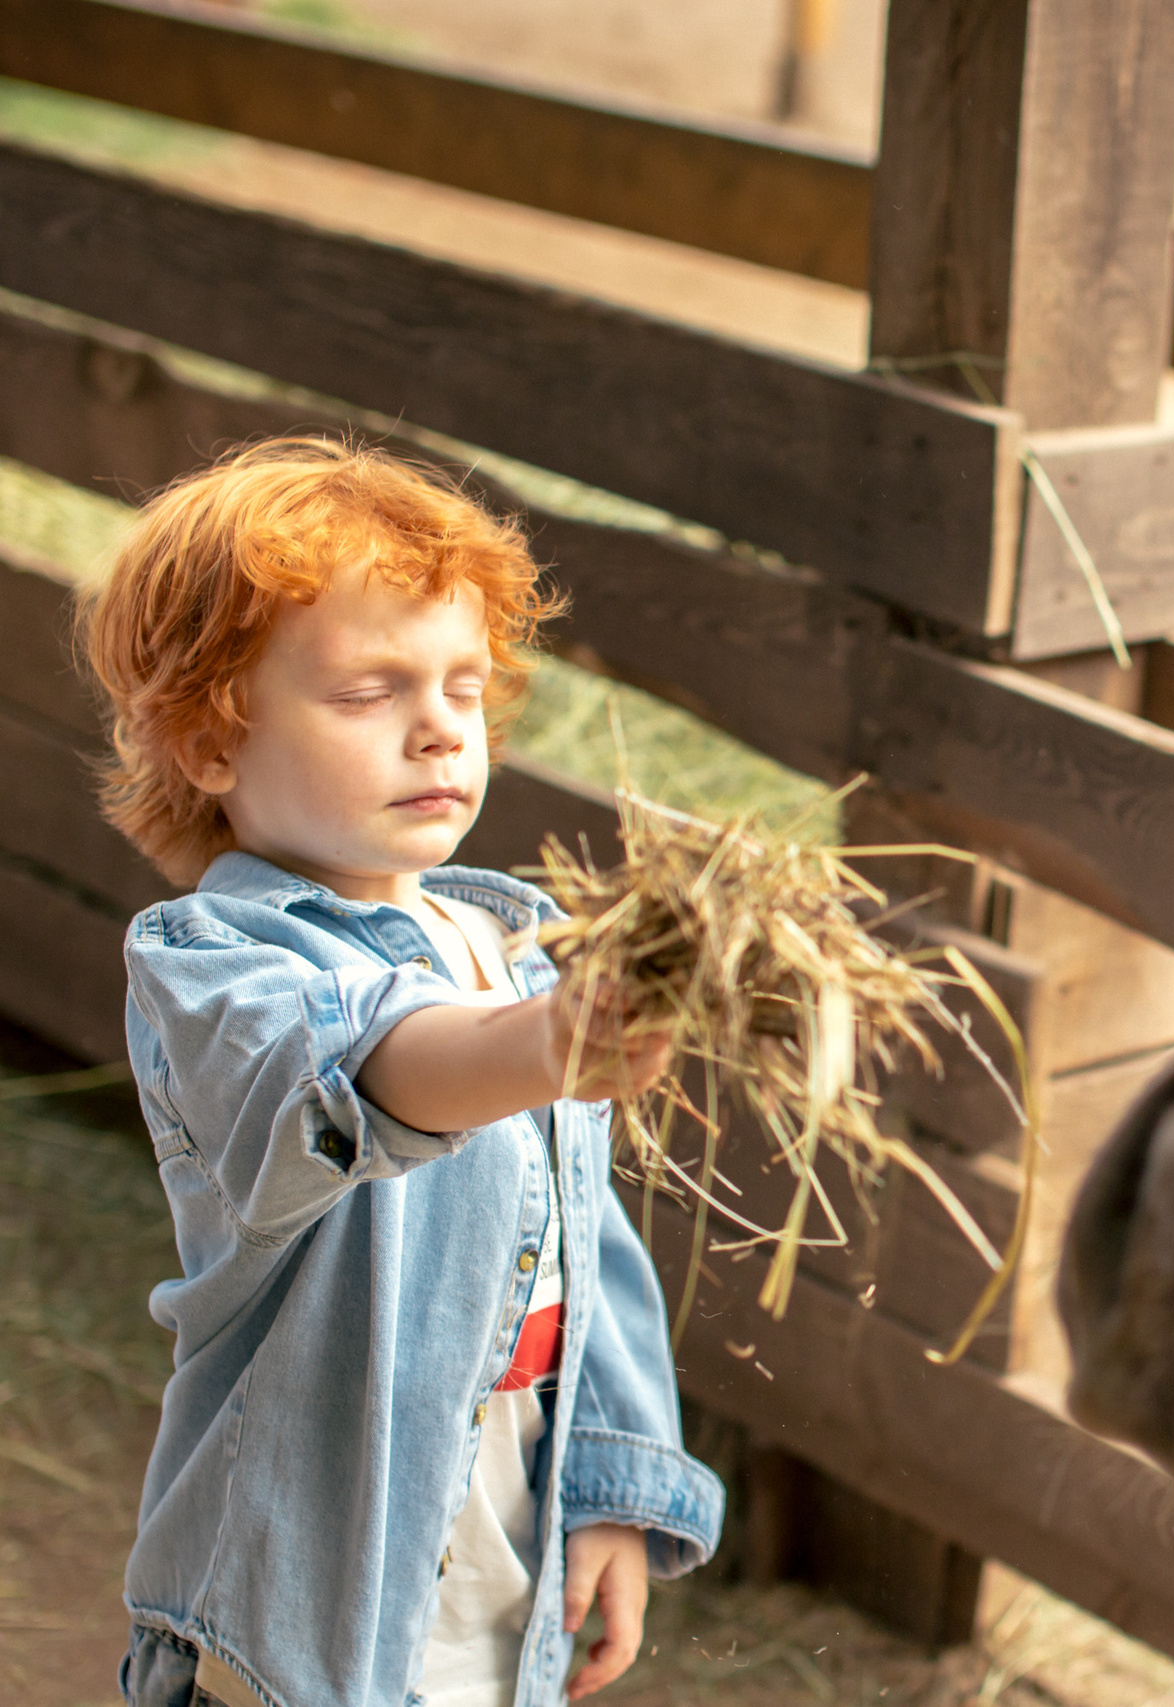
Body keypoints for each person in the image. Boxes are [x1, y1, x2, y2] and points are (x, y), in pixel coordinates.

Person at [80, 437, 723, 1707]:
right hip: (298, 1623)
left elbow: (587, 1250)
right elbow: (367, 1076)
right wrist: (547, 1049)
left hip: (496, 1583)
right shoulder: (214, 965)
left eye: (464, 687)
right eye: (371, 693)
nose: (438, 730)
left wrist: (607, 1494)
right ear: (211, 743)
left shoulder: (515, 946)